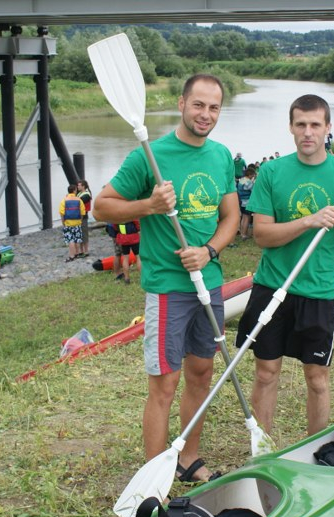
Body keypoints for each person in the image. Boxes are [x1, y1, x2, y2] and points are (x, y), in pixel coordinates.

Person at [92, 74, 239, 483]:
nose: (205, 114)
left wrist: (209, 251)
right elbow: (101, 208)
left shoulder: (221, 156)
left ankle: (188, 458)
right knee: (165, 383)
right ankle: (153, 476)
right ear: (181, 104)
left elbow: (230, 217)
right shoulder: (150, 156)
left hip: (208, 283)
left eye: (213, 107)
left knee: (202, 373)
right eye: (198, 105)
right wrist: (150, 205)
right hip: (168, 287)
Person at [235, 94, 334, 436]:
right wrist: (309, 221)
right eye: (301, 124)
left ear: (328, 128)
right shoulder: (272, 172)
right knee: (266, 373)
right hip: (272, 286)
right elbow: (262, 235)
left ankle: (315, 448)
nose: (308, 132)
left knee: (317, 379)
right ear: (291, 127)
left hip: (319, 291)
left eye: (315, 124)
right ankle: (264, 452)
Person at [59, 184, 85, 262]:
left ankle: (71, 256)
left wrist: (63, 222)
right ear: (74, 191)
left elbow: (62, 213)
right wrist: (80, 220)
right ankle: (77, 253)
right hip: (77, 222)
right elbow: (82, 212)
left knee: (71, 240)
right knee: (77, 239)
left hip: (68, 223)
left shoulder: (64, 200)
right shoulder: (79, 200)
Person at [237, 166, 256, 239]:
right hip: (247, 202)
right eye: (253, 175)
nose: (253, 176)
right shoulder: (249, 182)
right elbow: (252, 190)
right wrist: (253, 182)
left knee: (243, 218)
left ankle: (242, 233)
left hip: (241, 201)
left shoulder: (242, 180)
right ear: (250, 175)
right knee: (247, 218)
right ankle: (244, 235)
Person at [76, 179, 92, 257]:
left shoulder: (87, 195)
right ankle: (81, 250)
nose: (78, 187)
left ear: (83, 186)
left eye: (79, 185)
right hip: (78, 215)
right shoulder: (79, 194)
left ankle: (86, 251)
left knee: (84, 233)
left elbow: (79, 202)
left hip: (84, 216)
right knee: (79, 233)